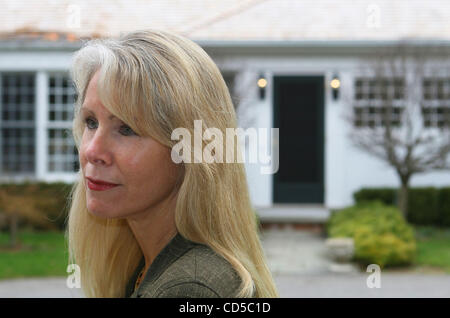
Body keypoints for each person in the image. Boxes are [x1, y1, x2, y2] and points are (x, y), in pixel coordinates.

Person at [66, 29, 278, 298]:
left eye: (127, 129)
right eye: (91, 122)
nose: (93, 150)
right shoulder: (147, 266)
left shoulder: (190, 288)